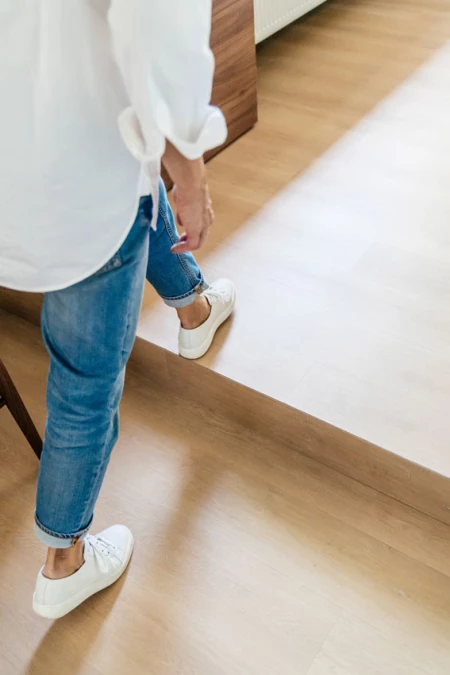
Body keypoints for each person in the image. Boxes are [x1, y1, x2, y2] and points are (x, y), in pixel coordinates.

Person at [0, 1, 235, 619]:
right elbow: (158, 39)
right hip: (74, 175)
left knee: (136, 184)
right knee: (83, 386)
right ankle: (64, 562)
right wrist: (191, 174)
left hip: (15, 170)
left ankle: (193, 309)